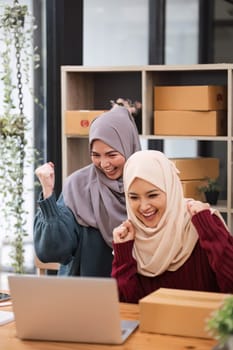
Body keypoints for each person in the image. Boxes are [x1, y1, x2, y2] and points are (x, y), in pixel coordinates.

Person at [111, 150, 233, 303]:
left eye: (153, 195)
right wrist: (123, 255)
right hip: (152, 327)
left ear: (171, 189)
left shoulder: (201, 223)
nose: (143, 207)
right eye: (134, 197)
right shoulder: (131, 236)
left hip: (203, 325)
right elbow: (126, 307)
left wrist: (209, 230)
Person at [33, 105, 141, 276]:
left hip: (135, 292)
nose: (104, 164)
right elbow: (51, 251)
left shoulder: (146, 185)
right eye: (96, 155)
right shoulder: (77, 186)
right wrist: (48, 194)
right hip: (84, 293)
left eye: (112, 155)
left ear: (129, 147)